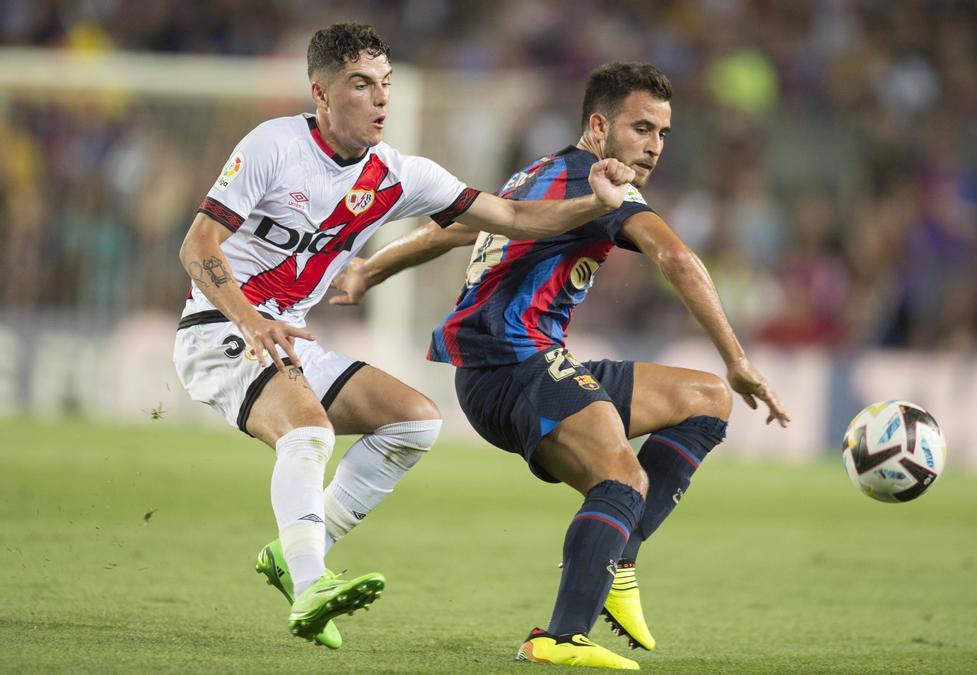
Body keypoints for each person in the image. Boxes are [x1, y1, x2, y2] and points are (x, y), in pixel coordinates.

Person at [172, 23, 637, 650]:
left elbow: (516, 217)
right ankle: (311, 585)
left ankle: (294, 554)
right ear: (322, 92)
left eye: (385, 83)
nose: (381, 99)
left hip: (288, 340)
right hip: (220, 328)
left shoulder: (397, 174)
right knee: (306, 430)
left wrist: (592, 202)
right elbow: (197, 244)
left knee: (414, 421)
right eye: (361, 85)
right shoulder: (273, 146)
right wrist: (251, 320)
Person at [331, 62, 790, 669]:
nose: (653, 146)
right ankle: (559, 637)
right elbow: (676, 257)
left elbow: (453, 229)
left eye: (662, 133)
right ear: (599, 127)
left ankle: (617, 556)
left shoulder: (542, 172)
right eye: (640, 128)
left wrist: (371, 269)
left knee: (707, 400)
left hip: (526, 362)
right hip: (511, 365)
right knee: (623, 481)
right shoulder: (603, 189)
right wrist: (737, 357)